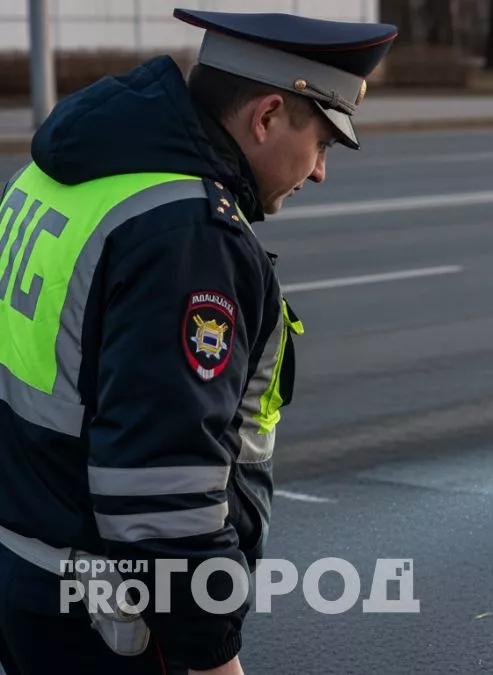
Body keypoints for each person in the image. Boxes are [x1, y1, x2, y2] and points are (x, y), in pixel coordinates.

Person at [0, 8, 396, 675]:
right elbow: (163, 495)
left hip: (26, 572)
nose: (321, 170)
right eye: (322, 142)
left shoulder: (74, 168)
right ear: (267, 116)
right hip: (104, 617)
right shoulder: (188, 235)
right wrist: (214, 659)